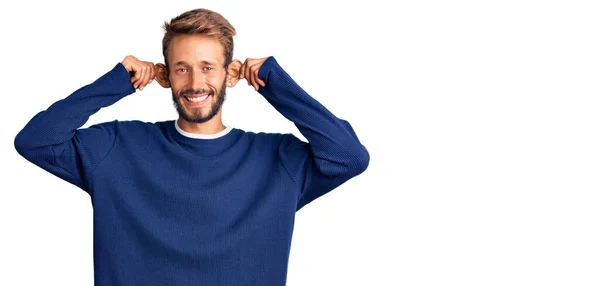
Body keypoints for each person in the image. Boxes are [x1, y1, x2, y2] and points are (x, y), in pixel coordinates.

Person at [14, 8, 369, 286]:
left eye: (207, 68)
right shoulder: (116, 149)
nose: (196, 83)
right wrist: (115, 82)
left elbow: (349, 156)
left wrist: (277, 85)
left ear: (230, 74)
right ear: (165, 76)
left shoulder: (278, 161)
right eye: (182, 69)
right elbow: (36, 141)